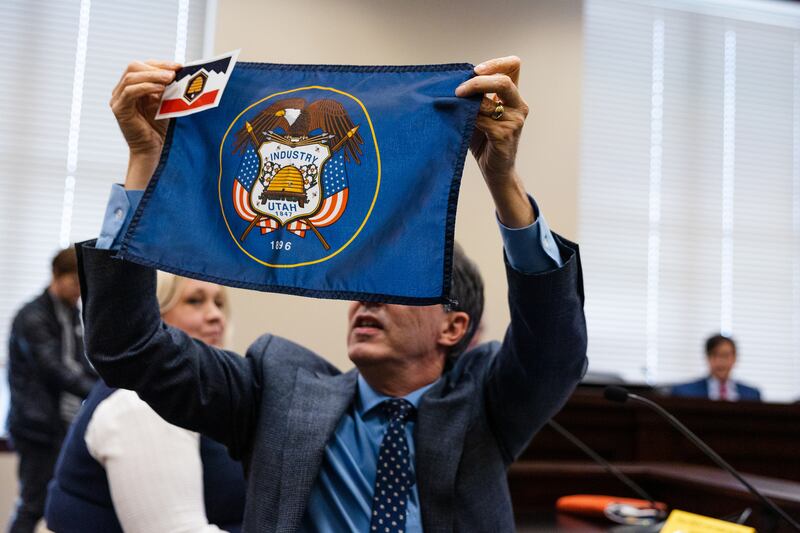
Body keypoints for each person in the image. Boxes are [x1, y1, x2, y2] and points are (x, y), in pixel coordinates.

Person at [76, 55, 588, 531]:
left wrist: (502, 180)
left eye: (395, 288)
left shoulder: (485, 403)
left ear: (455, 328)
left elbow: (555, 350)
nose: (366, 298)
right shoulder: (274, 389)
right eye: (366, 283)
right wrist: (145, 161)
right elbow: (128, 347)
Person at [45, 273, 246, 532]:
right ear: (153, 315)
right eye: (195, 301)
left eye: (218, 302)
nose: (216, 315)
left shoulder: (192, 394)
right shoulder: (141, 403)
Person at [6, 248, 97, 533]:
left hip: (62, 423)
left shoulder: (72, 313)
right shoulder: (31, 316)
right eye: (74, 283)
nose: (79, 291)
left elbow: (82, 361)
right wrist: (98, 395)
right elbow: (55, 369)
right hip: (37, 427)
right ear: (56, 275)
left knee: (58, 504)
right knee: (32, 505)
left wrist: (108, 384)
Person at [671, 334, 762, 401]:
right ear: (707, 358)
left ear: (734, 358)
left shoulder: (752, 395)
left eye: (725, 355)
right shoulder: (684, 393)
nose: (721, 361)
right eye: (715, 355)